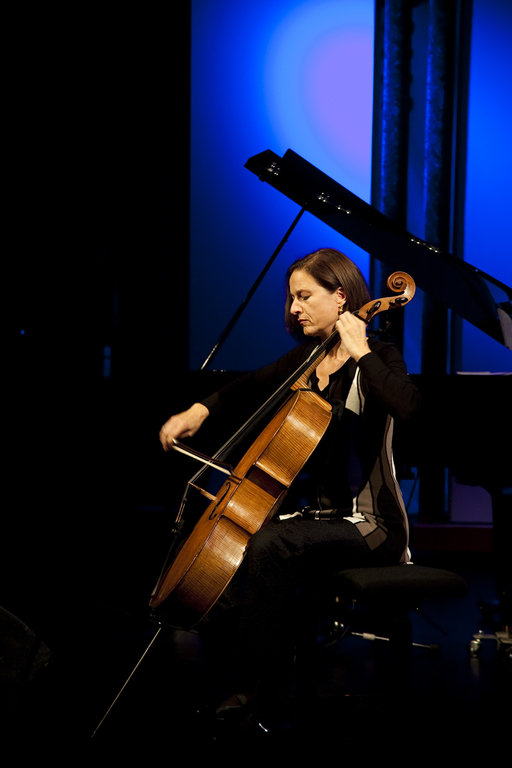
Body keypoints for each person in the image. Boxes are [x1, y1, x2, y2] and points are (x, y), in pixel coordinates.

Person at [159, 248, 420, 731]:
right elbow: (247, 386)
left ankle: (263, 693)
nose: (294, 308)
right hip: (320, 522)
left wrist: (360, 350)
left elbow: (406, 407)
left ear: (340, 297)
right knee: (226, 553)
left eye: (304, 296)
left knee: (272, 544)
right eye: (291, 298)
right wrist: (198, 410)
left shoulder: (380, 357)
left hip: (373, 526)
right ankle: (238, 678)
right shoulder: (307, 360)